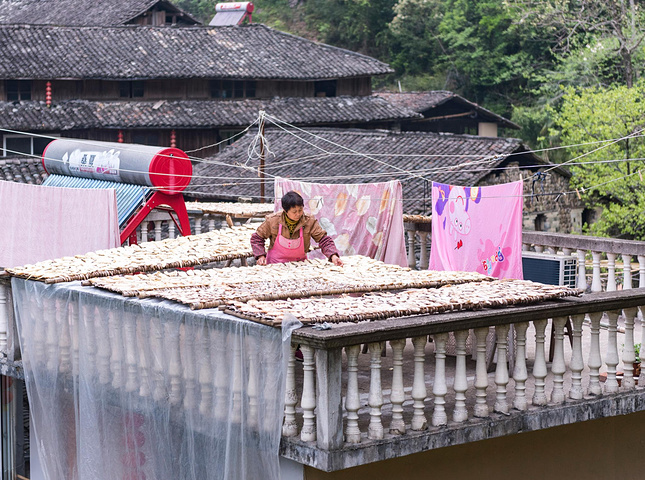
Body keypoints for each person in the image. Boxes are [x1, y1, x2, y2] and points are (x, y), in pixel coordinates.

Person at [251, 191, 343, 266]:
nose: (298, 214)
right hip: (275, 265)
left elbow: (323, 239)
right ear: (285, 211)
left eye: (300, 210)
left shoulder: (308, 220)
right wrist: (260, 256)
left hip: (300, 265)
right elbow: (257, 238)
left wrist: (333, 256)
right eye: (294, 211)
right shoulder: (273, 220)